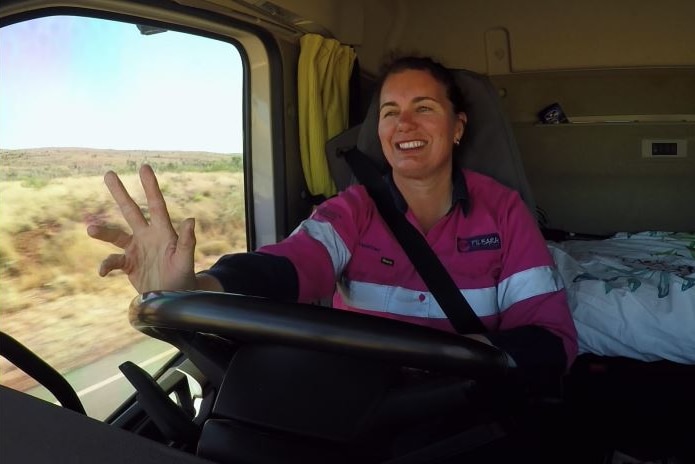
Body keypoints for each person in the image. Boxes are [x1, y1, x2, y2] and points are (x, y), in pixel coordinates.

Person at [87, 56, 578, 373]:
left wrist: (472, 363)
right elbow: (291, 264)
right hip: (357, 410)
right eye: (389, 111)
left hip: (470, 410)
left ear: (456, 127)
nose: (403, 123)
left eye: (423, 108)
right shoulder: (353, 210)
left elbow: (550, 338)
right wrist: (198, 287)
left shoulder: (504, 211)